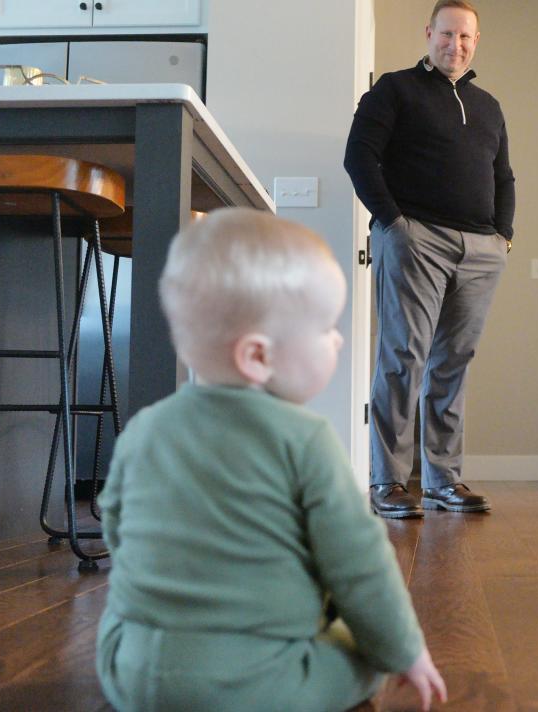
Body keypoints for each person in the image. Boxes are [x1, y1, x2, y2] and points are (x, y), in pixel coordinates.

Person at [95, 208, 446, 712]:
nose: (339, 339)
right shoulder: (305, 440)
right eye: (326, 328)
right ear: (258, 356)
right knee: (363, 652)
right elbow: (359, 566)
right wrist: (405, 652)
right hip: (251, 685)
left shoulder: (145, 427)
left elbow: (116, 527)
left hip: (129, 672)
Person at [344, 0, 515, 519]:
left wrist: (502, 237)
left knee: (453, 364)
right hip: (417, 239)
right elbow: (359, 156)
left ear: (476, 41)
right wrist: (395, 224)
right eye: (446, 34)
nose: (455, 45)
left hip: (481, 249)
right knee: (404, 358)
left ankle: (443, 480)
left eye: (465, 37)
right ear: (429, 33)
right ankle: (389, 484)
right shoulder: (395, 89)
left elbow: (504, 176)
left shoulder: (488, 105)